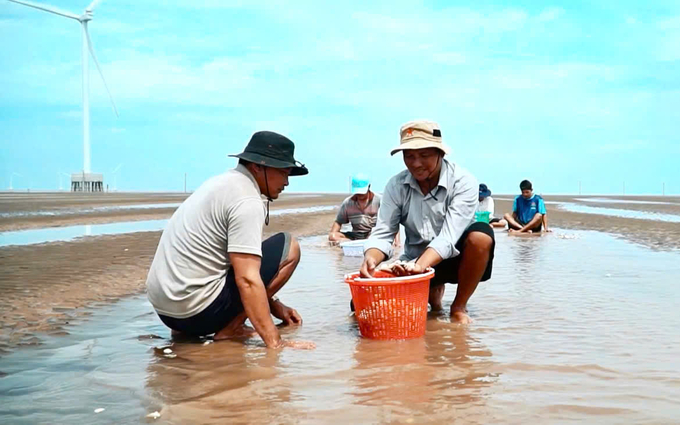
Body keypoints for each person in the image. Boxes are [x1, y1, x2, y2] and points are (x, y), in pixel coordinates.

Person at [146, 131, 314, 350]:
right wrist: (276, 342)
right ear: (258, 167)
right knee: (290, 248)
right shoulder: (247, 200)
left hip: (166, 311)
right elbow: (247, 279)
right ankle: (231, 329)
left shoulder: (220, 184)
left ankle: (187, 334)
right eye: (283, 172)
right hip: (196, 313)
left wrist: (275, 306)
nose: (287, 182)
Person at [361, 120, 495, 324]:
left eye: (424, 155)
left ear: (440, 153)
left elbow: (448, 238)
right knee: (363, 308)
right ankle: (433, 292)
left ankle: (459, 306)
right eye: (409, 156)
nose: (416, 163)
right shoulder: (396, 185)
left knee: (481, 236)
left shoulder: (463, 182)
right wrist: (371, 258)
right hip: (413, 260)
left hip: (457, 259)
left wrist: (421, 265)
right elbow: (383, 233)